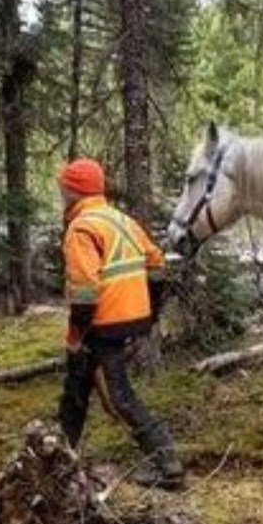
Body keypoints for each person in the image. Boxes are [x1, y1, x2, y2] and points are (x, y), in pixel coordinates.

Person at [56, 158, 184, 489]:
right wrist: (150, 312)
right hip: (129, 319)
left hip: (104, 323)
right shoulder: (122, 220)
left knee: (119, 395)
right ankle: (59, 458)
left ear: (73, 191)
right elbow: (156, 265)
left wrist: (74, 336)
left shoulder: (82, 228)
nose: (61, 192)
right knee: (77, 386)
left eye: (63, 187)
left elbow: (84, 296)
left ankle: (167, 463)